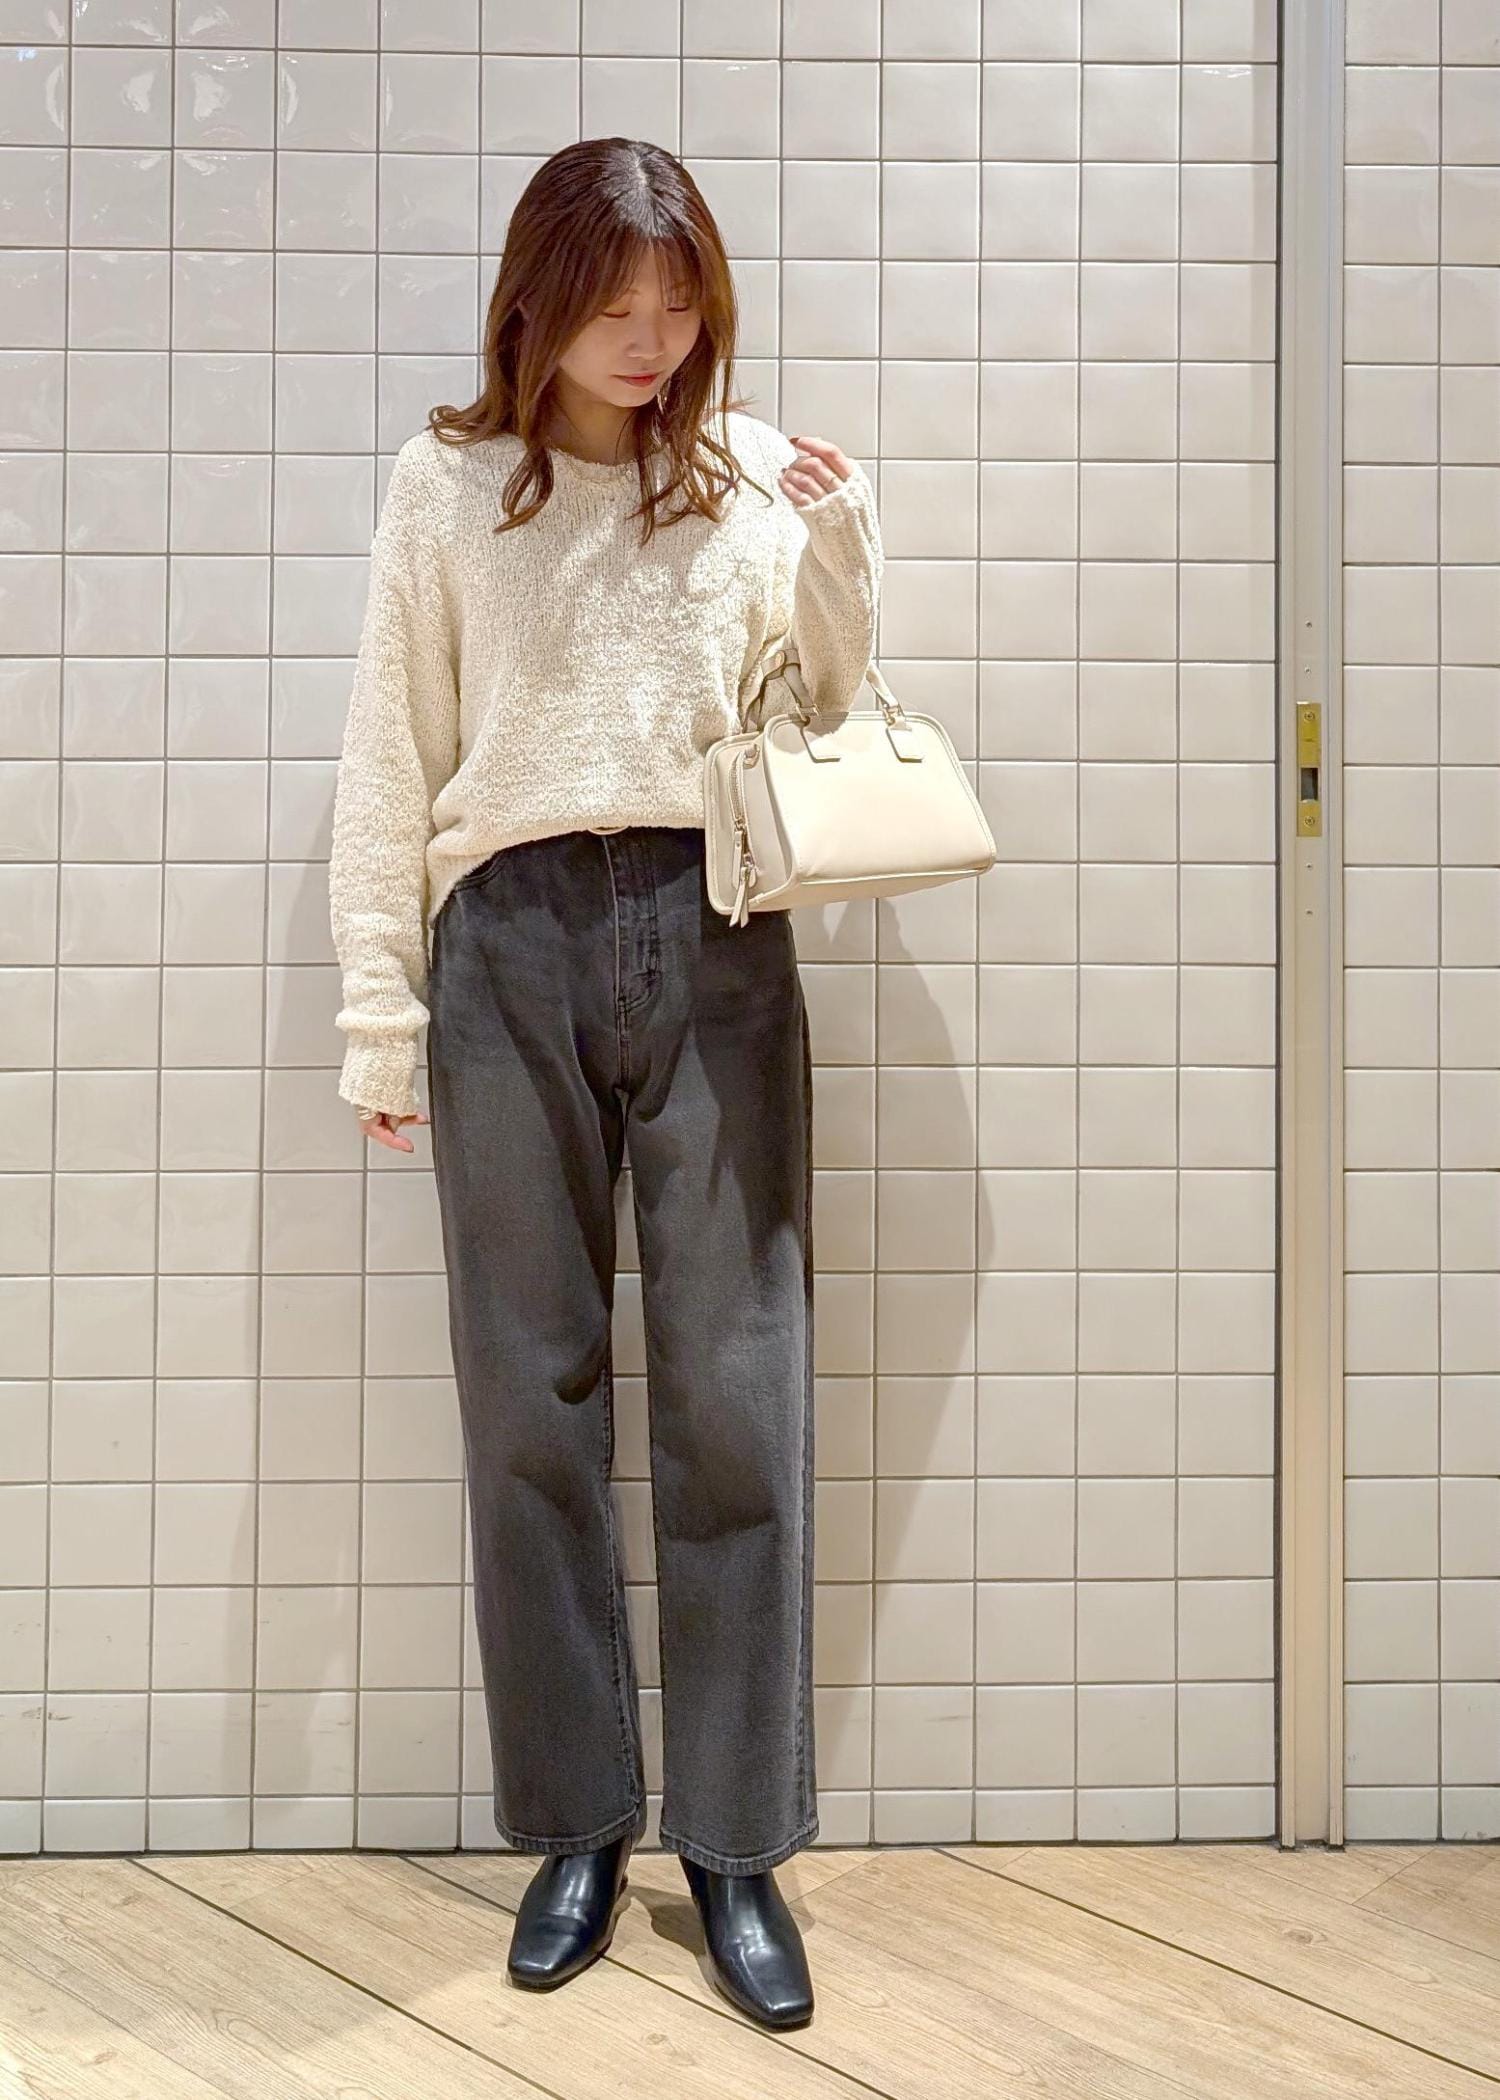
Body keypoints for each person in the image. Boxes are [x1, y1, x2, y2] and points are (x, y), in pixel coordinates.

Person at [327, 136, 882, 2031]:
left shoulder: (739, 477)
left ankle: (733, 1841)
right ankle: (576, 1826)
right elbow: (392, 753)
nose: (652, 338)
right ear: (539, 301)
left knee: (740, 1393)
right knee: (527, 1401)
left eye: (681, 304)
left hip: (715, 935)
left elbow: (824, 718)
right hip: (506, 945)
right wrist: (381, 1013)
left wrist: (839, 553)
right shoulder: (445, 485)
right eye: (617, 303)